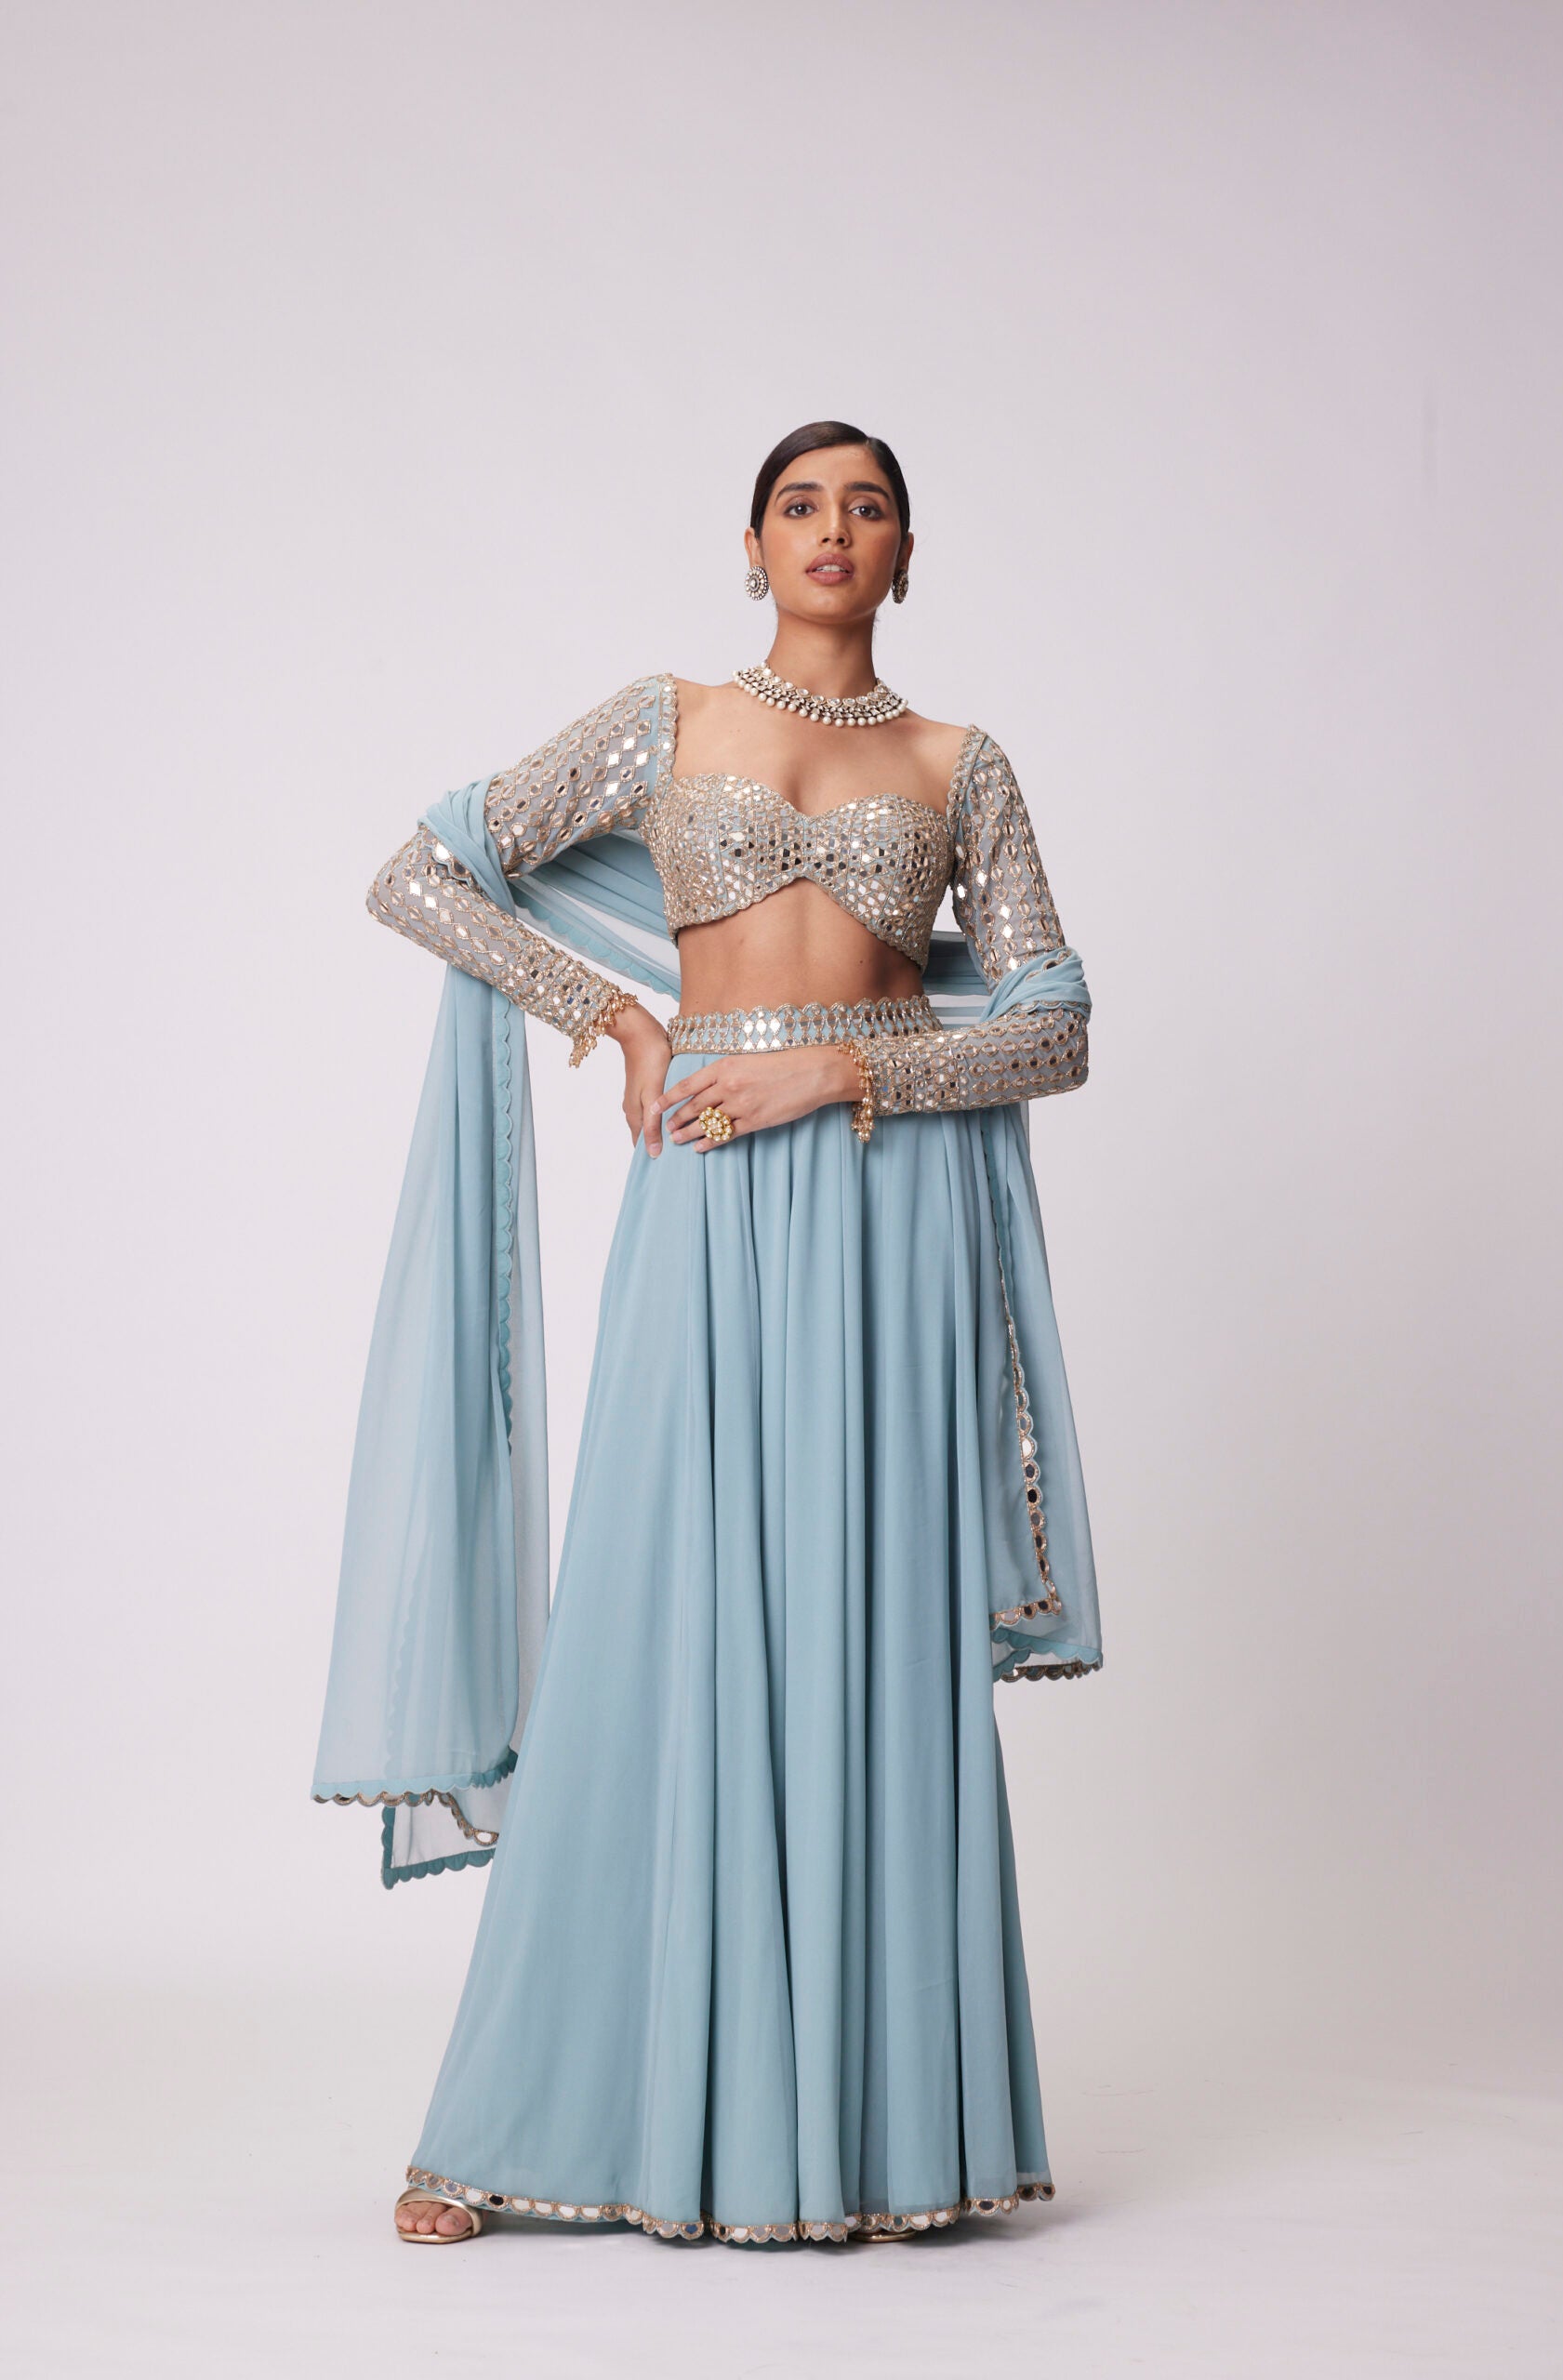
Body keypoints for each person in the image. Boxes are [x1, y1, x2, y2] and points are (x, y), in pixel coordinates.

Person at [312, 419, 1103, 2248]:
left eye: (868, 506)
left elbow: (1055, 1021)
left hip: (893, 1204)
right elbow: (419, 874)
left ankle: (882, 2142)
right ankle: (517, 2118)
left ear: (906, 553)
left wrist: (845, 1068)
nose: (835, 529)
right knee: (653, 1622)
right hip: (709, 1192)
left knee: (875, 1627)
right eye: (800, 505)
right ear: (753, 545)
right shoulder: (661, 720)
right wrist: (620, 1019)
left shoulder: (958, 760)